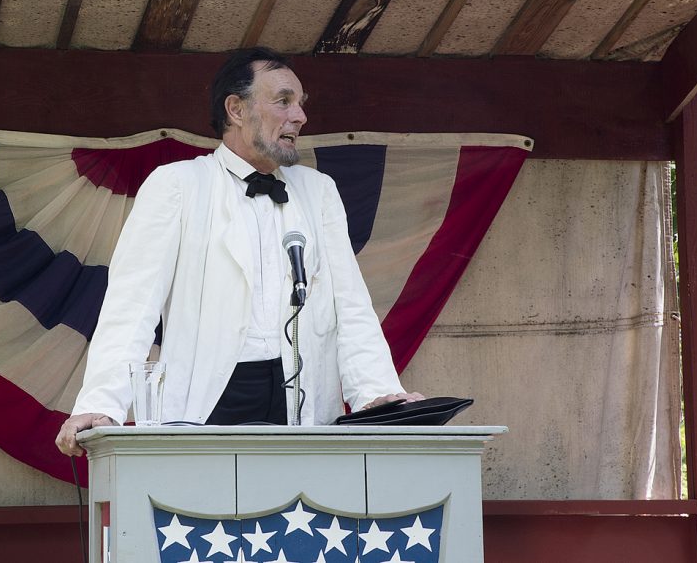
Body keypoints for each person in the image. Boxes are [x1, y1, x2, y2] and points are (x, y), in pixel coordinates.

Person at [56, 47, 423, 457]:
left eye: (300, 104)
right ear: (236, 109)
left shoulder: (318, 191)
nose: (299, 116)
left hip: (301, 402)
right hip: (209, 400)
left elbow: (350, 306)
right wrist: (100, 405)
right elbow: (131, 307)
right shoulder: (177, 185)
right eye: (283, 101)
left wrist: (379, 394)